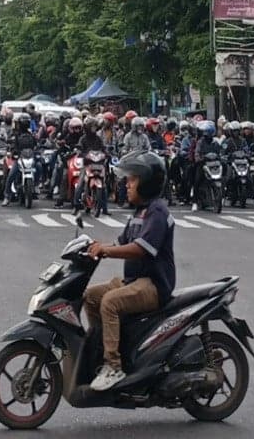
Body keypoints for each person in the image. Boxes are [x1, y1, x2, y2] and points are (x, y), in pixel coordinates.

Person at [82, 151, 175, 391]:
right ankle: (104, 350)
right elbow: (121, 244)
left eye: (132, 180)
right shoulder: (138, 213)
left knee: (110, 302)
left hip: (153, 284)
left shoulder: (157, 212)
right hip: (132, 281)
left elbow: (139, 250)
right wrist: (95, 247)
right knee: (91, 296)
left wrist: (108, 251)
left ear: (147, 182)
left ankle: (113, 367)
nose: (127, 184)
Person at [2, 115, 38, 206]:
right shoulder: (15, 135)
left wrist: (37, 153)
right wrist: (13, 151)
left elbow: (36, 146)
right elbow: (12, 145)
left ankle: (36, 185)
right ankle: (7, 196)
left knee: (40, 167)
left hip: (29, 159)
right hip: (20, 160)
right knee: (11, 175)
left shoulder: (31, 135)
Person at [190, 120, 222, 211]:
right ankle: (195, 202)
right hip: (203, 164)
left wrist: (221, 158)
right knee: (197, 180)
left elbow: (220, 152)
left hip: (214, 164)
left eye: (208, 132)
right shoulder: (200, 142)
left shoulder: (215, 142)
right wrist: (199, 158)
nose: (206, 134)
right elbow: (197, 152)